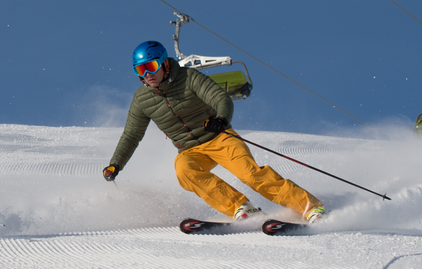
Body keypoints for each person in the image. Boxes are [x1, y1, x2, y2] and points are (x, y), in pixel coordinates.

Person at [103, 41, 326, 223]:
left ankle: (310, 207)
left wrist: (221, 119)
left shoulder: (189, 77)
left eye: (151, 67)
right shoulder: (141, 99)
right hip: (190, 150)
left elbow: (220, 97)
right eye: (140, 70)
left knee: (250, 174)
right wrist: (116, 164)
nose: (147, 74)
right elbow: (131, 135)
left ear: (164, 64)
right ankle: (241, 207)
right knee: (185, 171)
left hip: (220, 138)